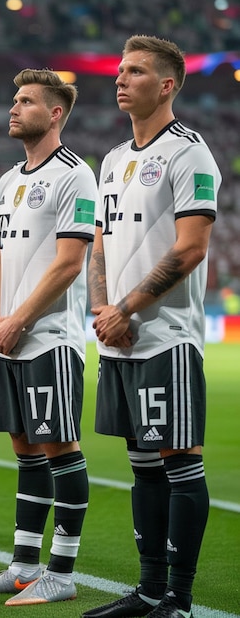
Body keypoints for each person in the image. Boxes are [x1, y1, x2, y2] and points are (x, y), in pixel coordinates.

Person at [83, 35, 220, 618]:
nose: (119, 79)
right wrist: (101, 309)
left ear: (166, 85)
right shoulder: (112, 160)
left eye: (134, 71)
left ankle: (181, 599)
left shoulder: (191, 153)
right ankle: (149, 590)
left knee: (179, 460)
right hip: (119, 337)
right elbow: (98, 248)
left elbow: (190, 249)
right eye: (119, 70)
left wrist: (128, 308)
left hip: (165, 338)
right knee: (142, 467)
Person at [0, 69, 96, 604]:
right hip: (8, 338)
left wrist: (19, 320)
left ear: (56, 112)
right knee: (24, 449)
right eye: (13, 100)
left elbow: (68, 263)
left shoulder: (76, 175)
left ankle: (61, 573)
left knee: (59, 447)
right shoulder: (10, 179)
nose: (13, 109)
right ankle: (22, 566)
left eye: (26, 101)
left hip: (50, 339)